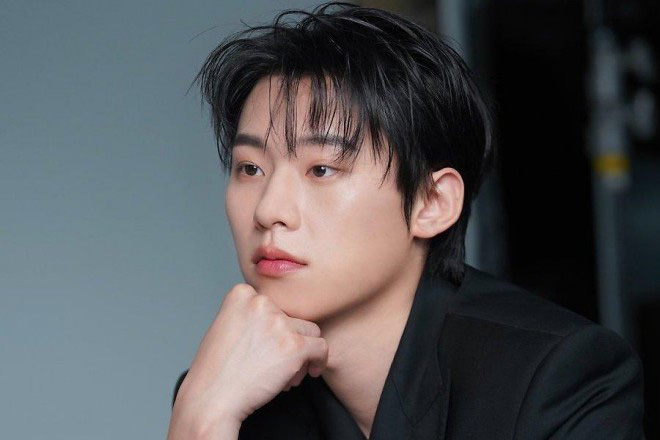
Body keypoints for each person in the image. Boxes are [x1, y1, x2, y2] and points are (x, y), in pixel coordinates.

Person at [166, 2, 645, 439]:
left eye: (322, 169)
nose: (269, 210)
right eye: (250, 168)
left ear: (431, 202)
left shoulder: (553, 377)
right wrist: (202, 420)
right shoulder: (230, 387)